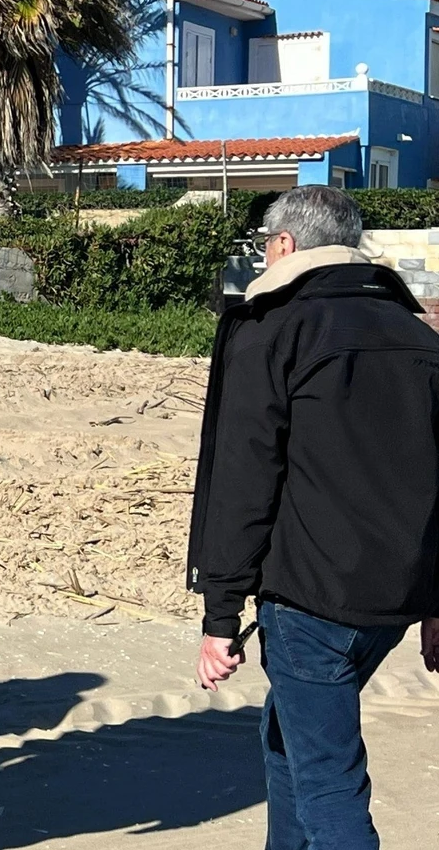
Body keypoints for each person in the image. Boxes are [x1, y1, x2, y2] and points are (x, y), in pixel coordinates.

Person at [189, 184, 439, 849]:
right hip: (397, 595)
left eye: (265, 247)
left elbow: (243, 476)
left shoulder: (272, 325)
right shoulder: (417, 332)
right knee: (287, 733)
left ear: (285, 244)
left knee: (331, 781)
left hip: (311, 599)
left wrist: (219, 615)